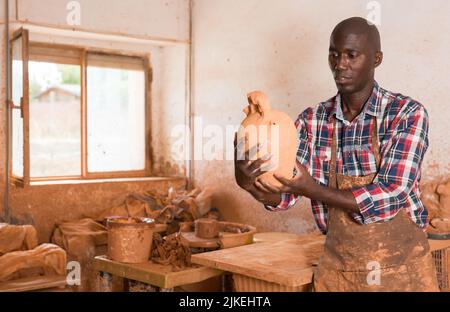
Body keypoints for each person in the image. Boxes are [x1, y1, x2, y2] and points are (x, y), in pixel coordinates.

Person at [234, 16, 439, 291]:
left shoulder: (406, 113)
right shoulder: (311, 120)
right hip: (339, 274)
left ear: (376, 59)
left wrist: (312, 189)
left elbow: (392, 194)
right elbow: (283, 196)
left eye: (351, 55)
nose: (340, 64)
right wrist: (249, 182)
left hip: (403, 273)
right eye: (334, 54)